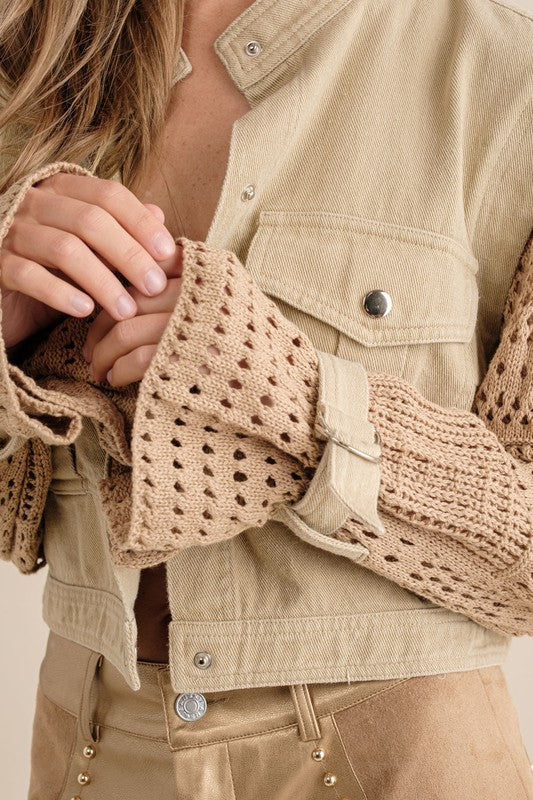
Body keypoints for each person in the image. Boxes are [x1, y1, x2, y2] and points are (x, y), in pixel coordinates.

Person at [0, 0, 531, 798]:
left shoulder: (502, 75)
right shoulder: (31, 59)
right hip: (87, 750)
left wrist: (287, 400)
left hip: (387, 757)